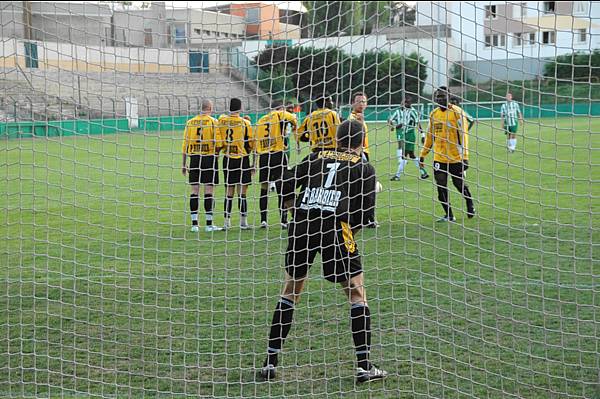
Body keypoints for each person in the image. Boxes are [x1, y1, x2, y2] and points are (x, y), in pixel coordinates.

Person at [258, 120, 388, 383]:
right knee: (355, 291)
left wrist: (293, 206)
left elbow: (283, 182)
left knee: (290, 290)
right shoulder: (364, 168)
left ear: (336, 139)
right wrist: (348, 234)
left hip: (302, 225)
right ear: (362, 142)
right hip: (337, 228)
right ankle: (364, 367)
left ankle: (270, 363)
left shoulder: (316, 156)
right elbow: (365, 215)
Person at [419, 86, 475, 222]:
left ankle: (470, 203)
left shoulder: (457, 113)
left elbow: (464, 135)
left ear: (449, 97)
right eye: (437, 96)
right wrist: (422, 154)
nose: (439, 99)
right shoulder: (433, 115)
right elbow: (429, 137)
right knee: (441, 185)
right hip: (439, 158)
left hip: (456, 157)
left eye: (442, 96)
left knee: (458, 184)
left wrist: (465, 157)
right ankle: (449, 215)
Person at [181, 99, 223, 232]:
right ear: (210, 108)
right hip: (209, 158)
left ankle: (194, 224)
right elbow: (219, 143)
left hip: (194, 158)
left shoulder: (190, 122)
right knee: (209, 191)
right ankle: (209, 225)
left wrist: (183, 164)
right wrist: (216, 154)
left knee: (194, 191)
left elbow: (185, 145)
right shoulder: (213, 121)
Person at [255, 100, 298, 228]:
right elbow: (293, 119)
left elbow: (256, 140)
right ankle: (283, 221)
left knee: (264, 189)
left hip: (264, 157)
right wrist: (293, 126)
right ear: (280, 108)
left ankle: (263, 220)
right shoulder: (280, 115)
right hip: (277, 155)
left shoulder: (261, 120)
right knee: (282, 188)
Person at [217, 98, 254, 230]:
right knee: (242, 192)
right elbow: (250, 144)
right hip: (242, 158)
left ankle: (226, 223)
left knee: (229, 192)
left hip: (227, 158)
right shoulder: (245, 123)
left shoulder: (222, 121)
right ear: (240, 108)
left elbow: (220, 119)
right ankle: (243, 222)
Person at [348, 92, 379, 228]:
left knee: (361, 187)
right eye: (359, 101)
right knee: (367, 187)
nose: (362, 104)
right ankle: (369, 219)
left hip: (364, 152)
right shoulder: (353, 118)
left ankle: (362, 218)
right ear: (353, 103)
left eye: (364, 101)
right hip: (359, 154)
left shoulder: (360, 117)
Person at [388, 97, 429, 180]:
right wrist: (394, 126)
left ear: (410, 104)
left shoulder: (413, 112)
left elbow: (418, 123)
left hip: (410, 135)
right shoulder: (400, 111)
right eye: (403, 103)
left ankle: (397, 176)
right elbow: (390, 120)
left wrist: (423, 135)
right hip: (404, 134)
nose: (404, 104)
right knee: (412, 155)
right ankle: (423, 173)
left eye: (406, 103)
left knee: (404, 156)